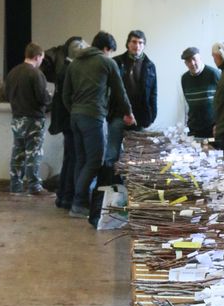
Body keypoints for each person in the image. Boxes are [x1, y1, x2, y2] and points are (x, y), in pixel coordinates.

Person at [62, 31, 135, 219]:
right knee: (95, 161)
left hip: (75, 117)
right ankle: (79, 203)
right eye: (110, 51)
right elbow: (120, 92)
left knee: (81, 160)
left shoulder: (75, 63)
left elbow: (65, 94)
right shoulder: (106, 62)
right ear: (106, 48)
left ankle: (79, 203)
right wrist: (128, 113)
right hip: (93, 116)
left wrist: (75, 110)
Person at [5, 42, 52, 197]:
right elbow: (43, 98)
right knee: (34, 153)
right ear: (37, 56)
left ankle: (15, 186)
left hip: (17, 118)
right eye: (41, 59)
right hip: (33, 119)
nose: (41, 62)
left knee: (17, 153)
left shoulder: (12, 73)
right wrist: (52, 99)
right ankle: (34, 187)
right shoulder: (36, 74)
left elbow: (7, 94)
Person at [106, 30, 157, 166]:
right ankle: (109, 178)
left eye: (140, 43)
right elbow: (109, 91)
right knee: (112, 154)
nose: (137, 45)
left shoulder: (150, 66)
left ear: (144, 45)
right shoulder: (116, 62)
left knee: (136, 156)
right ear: (128, 44)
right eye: (134, 42)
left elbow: (153, 93)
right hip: (118, 115)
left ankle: (128, 181)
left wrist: (152, 116)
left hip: (139, 117)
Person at [46, 36, 86, 210]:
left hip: (66, 121)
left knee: (69, 158)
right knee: (73, 159)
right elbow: (69, 99)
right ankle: (67, 197)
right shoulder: (71, 70)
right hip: (70, 121)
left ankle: (62, 196)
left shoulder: (64, 69)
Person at [180, 46, 219, 139]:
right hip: (193, 128)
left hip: (212, 128)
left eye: (194, 59)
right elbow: (188, 103)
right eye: (188, 61)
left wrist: (219, 124)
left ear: (200, 58)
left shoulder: (214, 74)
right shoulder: (184, 79)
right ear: (185, 63)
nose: (192, 63)